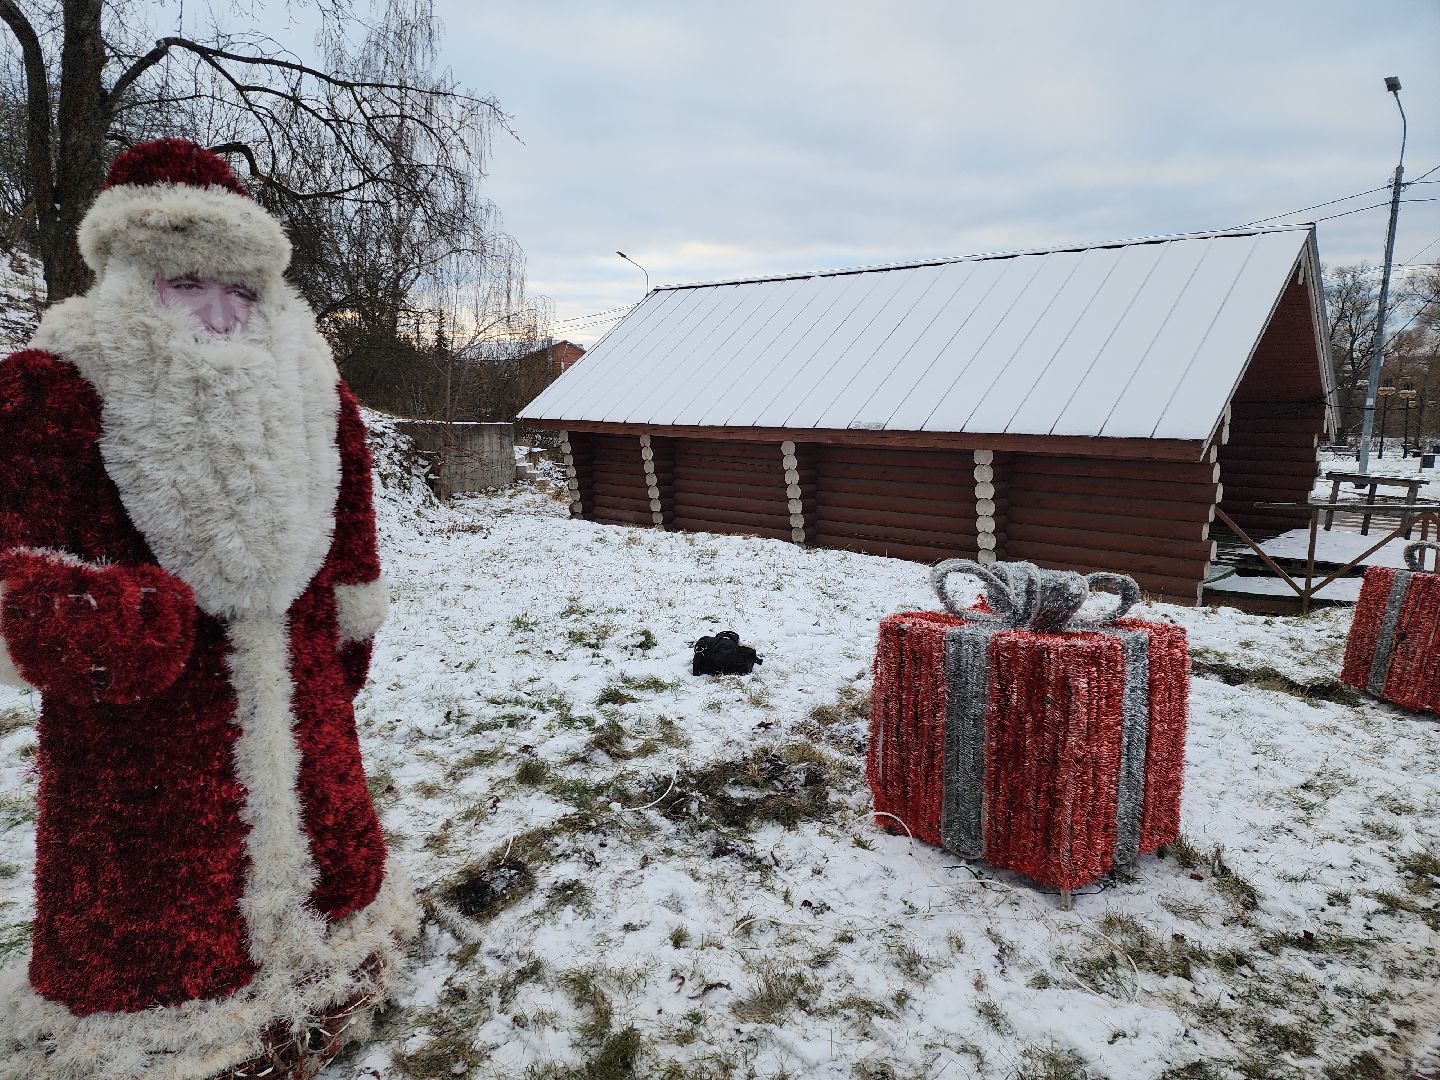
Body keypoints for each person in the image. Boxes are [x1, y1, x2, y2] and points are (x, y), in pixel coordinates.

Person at [0, 139, 416, 1079]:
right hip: (145, 732)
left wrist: (351, 635)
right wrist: (74, 619)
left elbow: (352, 532)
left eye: (242, 290)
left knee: (335, 860)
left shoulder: (318, 391)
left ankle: (337, 960)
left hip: (308, 698)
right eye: (187, 284)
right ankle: (168, 1034)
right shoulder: (50, 389)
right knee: (163, 921)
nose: (222, 313)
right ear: (127, 278)